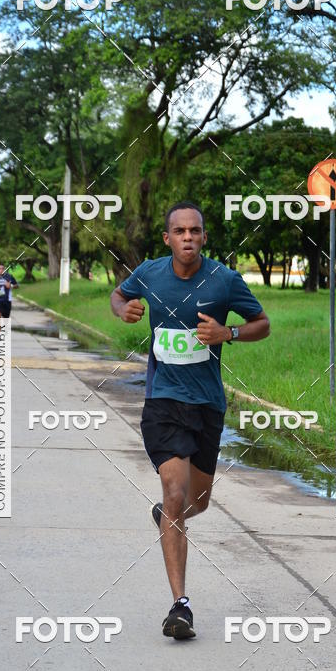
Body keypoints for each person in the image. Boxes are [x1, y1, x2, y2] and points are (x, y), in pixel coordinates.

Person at [110, 201, 270, 640]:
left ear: (203, 236)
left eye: (194, 231)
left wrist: (228, 333)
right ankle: (180, 606)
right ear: (168, 238)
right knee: (176, 492)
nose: (187, 237)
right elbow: (120, 294)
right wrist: (120, 309)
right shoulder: (150, 272)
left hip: (207, 405)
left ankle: (168, 515)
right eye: (179, 231)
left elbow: (263, 323)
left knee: (195, 503)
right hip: (163, 401)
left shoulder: (224, 280)